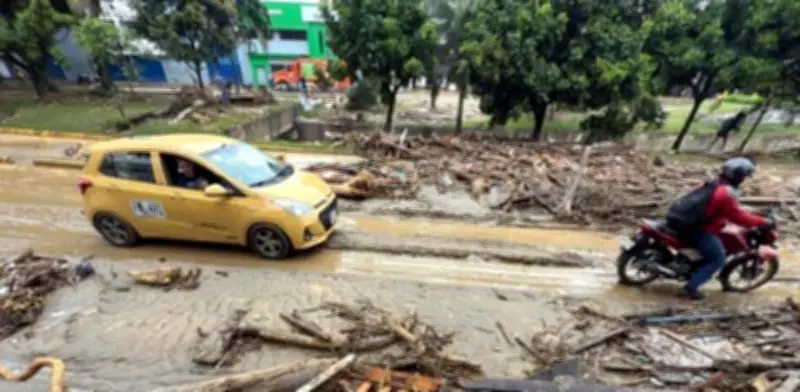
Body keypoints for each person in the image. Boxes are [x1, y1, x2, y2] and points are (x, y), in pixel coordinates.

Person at [665, 157, 775, 300]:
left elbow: (724, 208)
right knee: (718, 258)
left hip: (679, 220)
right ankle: (690, 288)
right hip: (696, 229)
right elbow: (737, 217)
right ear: (738, 176)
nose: (743, 179)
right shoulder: (726, 193)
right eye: (743, 176)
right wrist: (761, 221)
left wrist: (753, 214)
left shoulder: (714, 183)